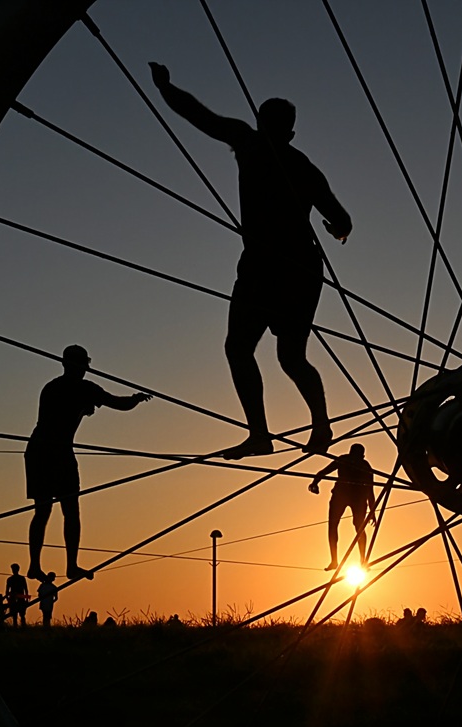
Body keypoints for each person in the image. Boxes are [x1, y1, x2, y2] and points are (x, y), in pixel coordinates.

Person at [149, 62, 353, 460]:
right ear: (291, 132)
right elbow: (343, 220)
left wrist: (164, 87)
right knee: (291, 358)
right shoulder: (304, 167)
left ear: (261, 124)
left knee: (240, 349)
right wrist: (335, 229)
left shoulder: (248, 141)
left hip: (263, 266)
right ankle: (320, 426)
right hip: (300, 267)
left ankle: (262, 433)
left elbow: (199, 116)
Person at [25, 344, 151, 580]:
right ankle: (65, 565)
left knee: (45, 511)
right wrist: (135, 399)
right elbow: (117, 403)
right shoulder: (84, 388)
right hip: (53, 453)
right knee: (65, 511)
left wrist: (85, 408)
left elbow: (61, 414)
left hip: (40, 451)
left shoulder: (52, 387)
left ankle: (41, 565)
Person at [309, 443, 376, 571]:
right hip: (344, 496)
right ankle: (337, 560)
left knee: (357, 527)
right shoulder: (353, 462)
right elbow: (370, 491)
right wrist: (315, 482)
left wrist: (372, 511)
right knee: (341, 526)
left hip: (355, 498)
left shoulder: (360, 465)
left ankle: (361, 560)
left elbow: (370, 490)